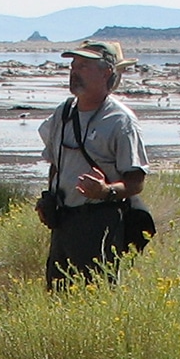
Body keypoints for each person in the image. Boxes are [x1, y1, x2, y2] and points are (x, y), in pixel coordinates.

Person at [37, 40, 149, 288]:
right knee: (57, 295)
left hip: (99, 223)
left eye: (84, 66)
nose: (74, 71)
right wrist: (50, 197)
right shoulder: (64, 113)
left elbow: (136, 182)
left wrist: (105, 191)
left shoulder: (121, 121)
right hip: (63, 223)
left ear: (106, 72)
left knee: (96, 294)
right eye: (73, 65)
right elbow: (56, 164)